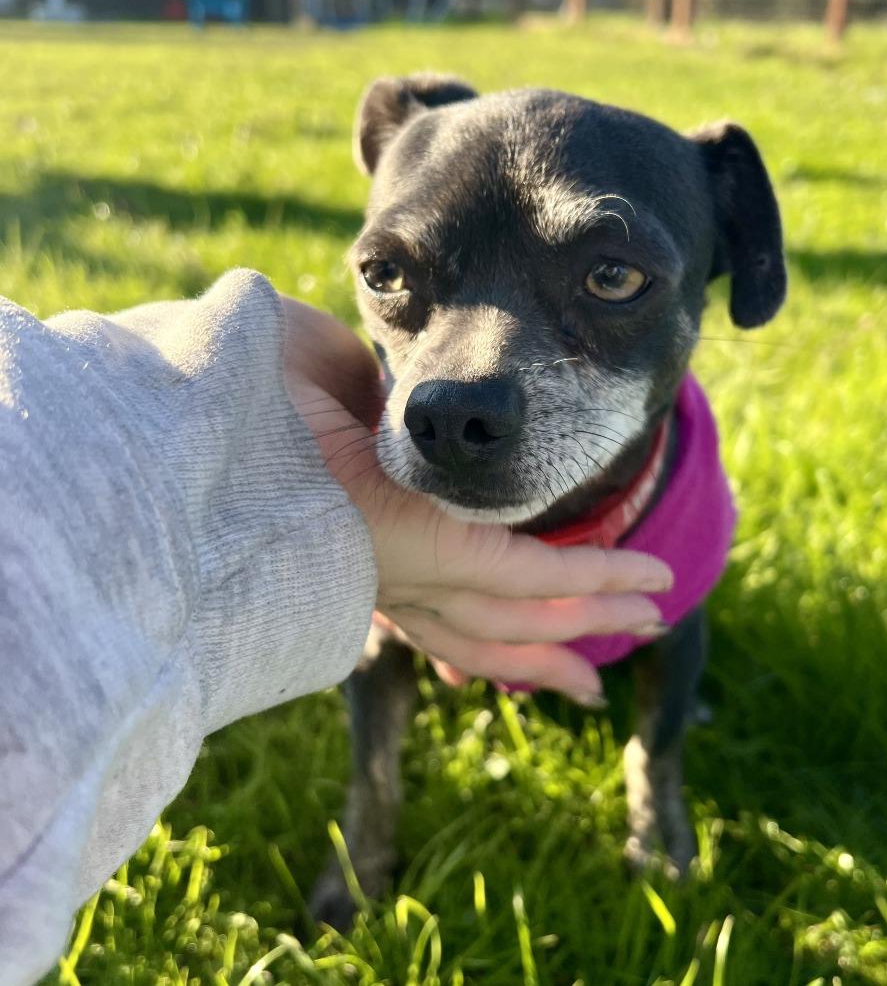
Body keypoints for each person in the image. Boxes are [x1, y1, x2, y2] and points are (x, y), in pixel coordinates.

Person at [0, 269, 673, 985]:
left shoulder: (681, 511)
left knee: (671, 632)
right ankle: (368, 828)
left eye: (610, 275)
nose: (467, 378)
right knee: (384, 649)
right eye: (391, 274)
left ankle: (657, 784)